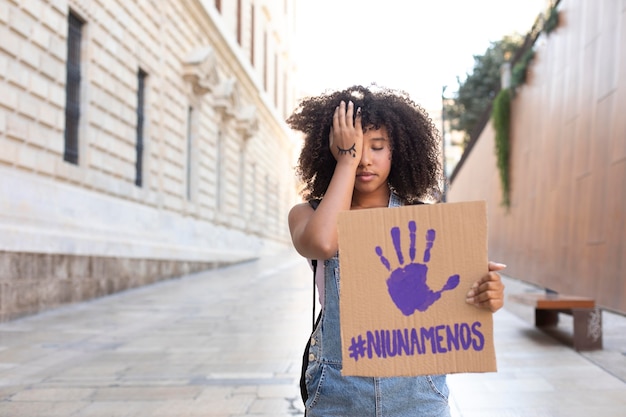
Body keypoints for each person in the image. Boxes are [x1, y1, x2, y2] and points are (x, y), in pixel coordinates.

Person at [287, 84, 505, 417]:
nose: (364, 159)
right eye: (353, 147)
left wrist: (486, 295)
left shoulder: (426, 222)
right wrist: (345, 162)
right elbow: (323, 243)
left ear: (398, 151)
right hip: (338, 389)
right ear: (332, 148)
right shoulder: (309, 215)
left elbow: (458, 300)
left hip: (417, 389)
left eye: (377, 147)